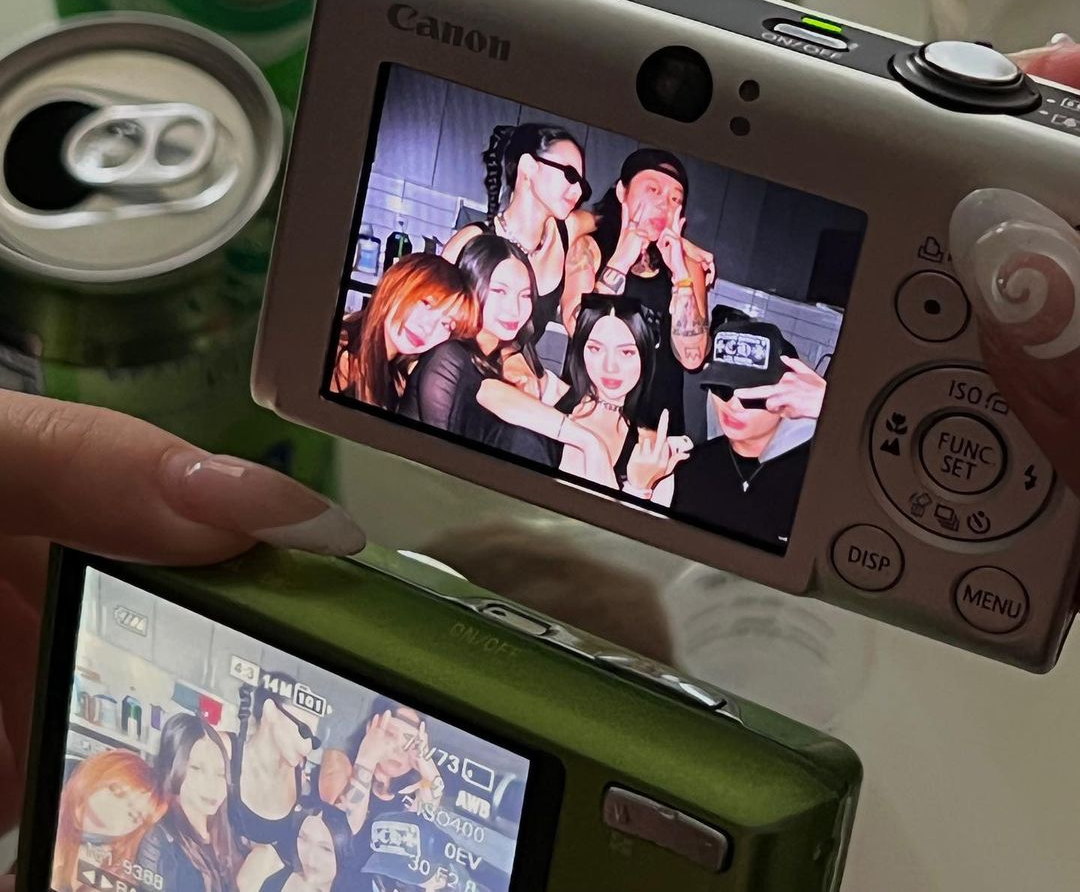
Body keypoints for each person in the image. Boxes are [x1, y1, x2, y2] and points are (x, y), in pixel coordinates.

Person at [3, 43, 1080, 890]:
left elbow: (670, 360)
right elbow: (506, 359)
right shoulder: (525, 278)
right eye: (619, 184)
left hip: (633, 427)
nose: (642, 201)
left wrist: (668, 312)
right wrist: (583, 399)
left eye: (661, 194)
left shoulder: (675, 274)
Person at [399, 235, 612, 478]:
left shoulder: (503, 360)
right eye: (500, 291)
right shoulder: (449, 357)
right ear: (472, 286)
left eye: (524, 295)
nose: (514, 309)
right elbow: (436, 469)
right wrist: (587, 441)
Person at [562, 149, 710, 431]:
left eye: (675, 199)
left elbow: (692, 358)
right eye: (652, 190)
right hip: (587, 424)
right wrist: (620, 261)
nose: (663, 204)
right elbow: (575, 326)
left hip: (653, 434)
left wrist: (681, 275)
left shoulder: (687, 266)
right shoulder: (589, 249)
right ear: (622, 191)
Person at [658, 308, 826, 549]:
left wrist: (832, 407)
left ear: (787, 400)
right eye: (722, 389)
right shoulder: (689, 467)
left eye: (752, 396)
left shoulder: (816, 479)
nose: (733, 405)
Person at [441, 123, 591, 342]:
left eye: (583, 185)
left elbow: (608, 220)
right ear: (528, 167)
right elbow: (432, 323)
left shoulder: (566, 231)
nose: (577, 190)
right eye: (570, 174)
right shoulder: (470, 241)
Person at [551, 294, 693, 495]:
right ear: (581, 349)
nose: (610, 366)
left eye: (626, 352)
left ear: (644, 355)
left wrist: (639, 489)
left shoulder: (653, 450)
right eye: (596, 348)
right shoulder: (548, 397)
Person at [331, 254, 479, 406]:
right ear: (396, 285)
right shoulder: (339, 357)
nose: (428, 327)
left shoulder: (400, 377)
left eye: (446, 324)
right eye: (426, 303)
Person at [316, 699, 445, 866]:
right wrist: (367, 758)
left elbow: (411, 851)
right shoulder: (339, 763)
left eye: (411, 743)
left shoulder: (414, 793)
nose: (399, 750)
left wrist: (431, 775)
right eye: (391, 735)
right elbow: (343, 828)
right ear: (371, 728)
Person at [137, 713, 241, 892]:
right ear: (172, 769)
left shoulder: (225, 831)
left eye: (220, 773)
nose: (212, 785)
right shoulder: (158, 839)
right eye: (197, 768)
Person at [51, 751, 164, 892]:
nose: (120, 810)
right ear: (95, 775)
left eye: (135, 815)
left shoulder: (115, 871)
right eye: (117, 792)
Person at [229, 678, 321, 850]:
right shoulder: (225, 752)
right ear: (270, 711)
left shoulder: (300, 779)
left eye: (313, 740)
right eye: (303, 730)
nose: (308, 747)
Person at [236, 801, 353, 892]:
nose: (310, 857)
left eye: (325, 848)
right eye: (303, 838)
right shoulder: (268, 864)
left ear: (342, 853)